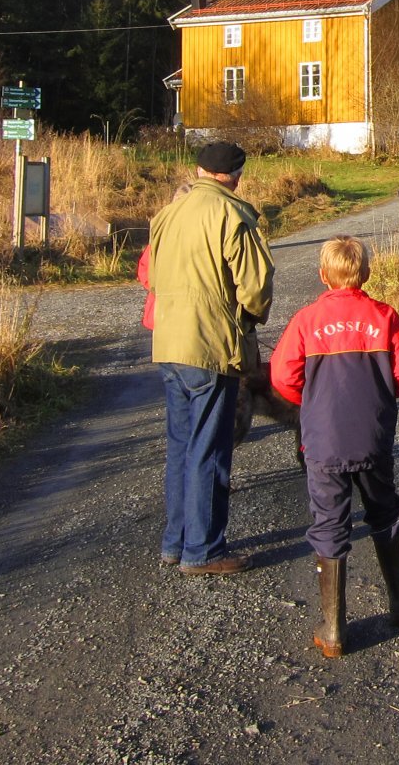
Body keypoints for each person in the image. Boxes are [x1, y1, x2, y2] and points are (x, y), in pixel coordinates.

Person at [270, 236, 399, 658]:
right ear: (366, 274)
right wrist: (379, 394)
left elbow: (283, 377)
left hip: (323, 441)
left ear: (322, 276)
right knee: (384, 511)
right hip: (372, 438)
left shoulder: (306, 320)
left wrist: (313, 402)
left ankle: (334, 628)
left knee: (329, 522)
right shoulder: (384, 316)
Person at [149, 141, 274, 576]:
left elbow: (151, 273)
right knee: (210, 449)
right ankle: (203, 550)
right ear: (235, 174)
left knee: (181, 446)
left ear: (200, 170)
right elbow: (256, 287)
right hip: (209, 345)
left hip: (168, 343)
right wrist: (251, 319)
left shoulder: (166, 215)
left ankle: (176, 541)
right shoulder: (234, 214)